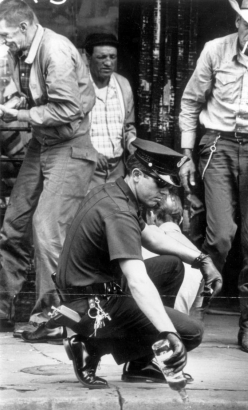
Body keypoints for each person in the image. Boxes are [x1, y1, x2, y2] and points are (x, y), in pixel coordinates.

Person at [22, 138, 223, 387]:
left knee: (171, 266)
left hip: (91, 293)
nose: (164, 193)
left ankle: (140, 363)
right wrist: (167, 332)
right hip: (91, 307)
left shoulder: (116, 192)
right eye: (159, 184)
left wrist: (201, 259)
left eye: (168, 187)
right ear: (137, 174)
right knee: (191, 333)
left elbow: (151, 237)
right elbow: (137, 281)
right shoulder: (119, 212)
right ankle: (91, 345)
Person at [179, 0, 248, 355]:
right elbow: (190, 103)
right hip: (217, 146)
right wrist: (186, 155)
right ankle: (197, 311)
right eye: (247, 25)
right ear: (237, 22)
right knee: (221, 236)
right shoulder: (215, 51)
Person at [0, 0, 97, 335]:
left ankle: (58, 320)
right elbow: (36, 96)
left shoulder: (55, 50)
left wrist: (21, 116)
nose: (3, 42)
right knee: (14, 224)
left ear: (25, 27)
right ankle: (2, 309)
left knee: (47, 229)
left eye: (6, 35)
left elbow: (69, 110)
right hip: (43, 143)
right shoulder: (20, 52)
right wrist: (17, 104)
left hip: (70, 147)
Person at [84, 32, 136, 188]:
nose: (108, 63)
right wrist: (89, 150)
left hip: (117, 169)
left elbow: (128, 127)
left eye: (112, 57)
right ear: (88, 58)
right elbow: (71, 131)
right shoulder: (79, 86)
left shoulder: (123, 85)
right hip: (87, 169)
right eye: (102, 57)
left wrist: (133, 145)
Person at [143, 193, 204, 315]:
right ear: (181, 219)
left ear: (151, 215)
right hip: (178, 326)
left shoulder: (141, 245)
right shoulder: (199, 257)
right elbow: (196, 312)